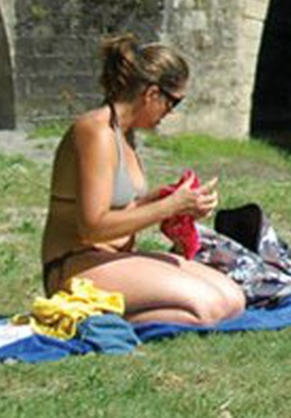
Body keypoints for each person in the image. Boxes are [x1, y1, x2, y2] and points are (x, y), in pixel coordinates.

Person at [38, 34, 243, 325]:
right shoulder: (95, 132)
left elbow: (122, 208)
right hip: (75, 266)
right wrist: (168, 206)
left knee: (233, 299)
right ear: (151, 94)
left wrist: (173, 202)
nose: (170, 113)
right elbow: (91, 227)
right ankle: (82, 316)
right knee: (207, 309)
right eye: (174, 103)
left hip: (111, 260)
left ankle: (117, 312)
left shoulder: (126, 134)